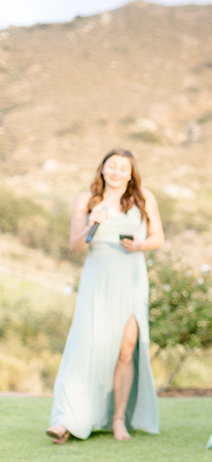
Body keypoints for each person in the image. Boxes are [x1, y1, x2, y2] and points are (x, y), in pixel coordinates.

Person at [46, 148, 164, 444]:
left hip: (132, 277)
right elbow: (75, 246)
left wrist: (140, 245)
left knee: (126, 351)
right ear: (102, 169)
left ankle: (118, 419)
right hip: (98, 278)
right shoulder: (86, 200)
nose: (116, 172)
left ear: (131, 172)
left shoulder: (144, 197)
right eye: (111, 166)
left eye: (122, 167)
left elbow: (158, 238)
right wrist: (91, 222)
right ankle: (67, 419)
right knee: (85, 346)